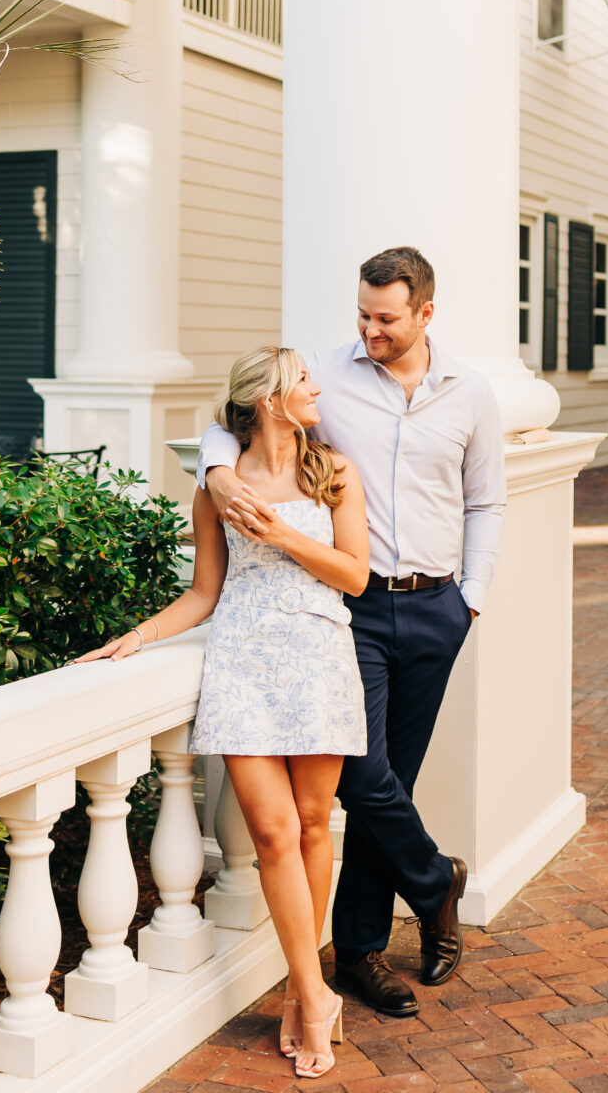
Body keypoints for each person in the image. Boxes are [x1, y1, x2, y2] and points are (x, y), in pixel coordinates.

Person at [197, 246, 506, 1019]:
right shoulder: (325, 376)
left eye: (386, 319)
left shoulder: (471, 394)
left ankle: (363, 951)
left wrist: (470, 598)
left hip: (437, 606)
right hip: (353, 609)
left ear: (424, 313)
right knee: (362, 778)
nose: (370, 330)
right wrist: (217, 472)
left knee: (390, 779)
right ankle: (434, 883)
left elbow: (486, 503)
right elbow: (238, 416)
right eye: (362, 315)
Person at [77, 346, 369, 1080]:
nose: (315, 388)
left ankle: (306, 1001)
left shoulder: (332, 472)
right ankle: (311, 992)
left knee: (310, 825)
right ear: (268, 400)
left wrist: (286, 537)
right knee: (271, 834)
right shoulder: (219, 485)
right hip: (241, 659)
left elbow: (357, 577)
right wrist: (137, 637)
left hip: (316, 656)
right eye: (302, 380)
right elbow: (204, 593)